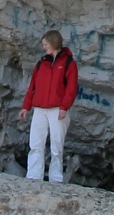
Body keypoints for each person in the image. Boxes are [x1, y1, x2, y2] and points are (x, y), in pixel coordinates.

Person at [23, 29, 80, 183]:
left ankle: (55, 178)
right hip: (40, 108)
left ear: (54, 43)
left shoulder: (68, 63)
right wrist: (26, 106)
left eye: (46, 44)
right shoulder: (41, 64)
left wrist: (64, 107)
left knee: (56, 145)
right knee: (36, 143)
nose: (44, 47)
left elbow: (71, 88)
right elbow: (33, 86)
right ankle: (34, 176)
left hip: (57, 109)